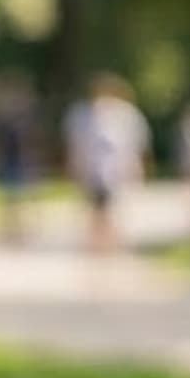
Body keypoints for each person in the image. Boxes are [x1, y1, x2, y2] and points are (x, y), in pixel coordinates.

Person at [63, 74, 151, 253]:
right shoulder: (82, 114)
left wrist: (137, 167)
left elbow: (136, 145)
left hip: (117, 169)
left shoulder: (126, 114)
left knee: (115, 206)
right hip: (92, 169)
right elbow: (76, 145)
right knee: (95, 206)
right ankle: (97, 242)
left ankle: (111, 242)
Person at [0, 72, 37, 243]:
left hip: (18, 161)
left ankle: (19, 228)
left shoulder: (21, 121)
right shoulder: (1, 122)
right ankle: (9, 229)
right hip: (7, 161)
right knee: (8, 197)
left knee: (19, 196)